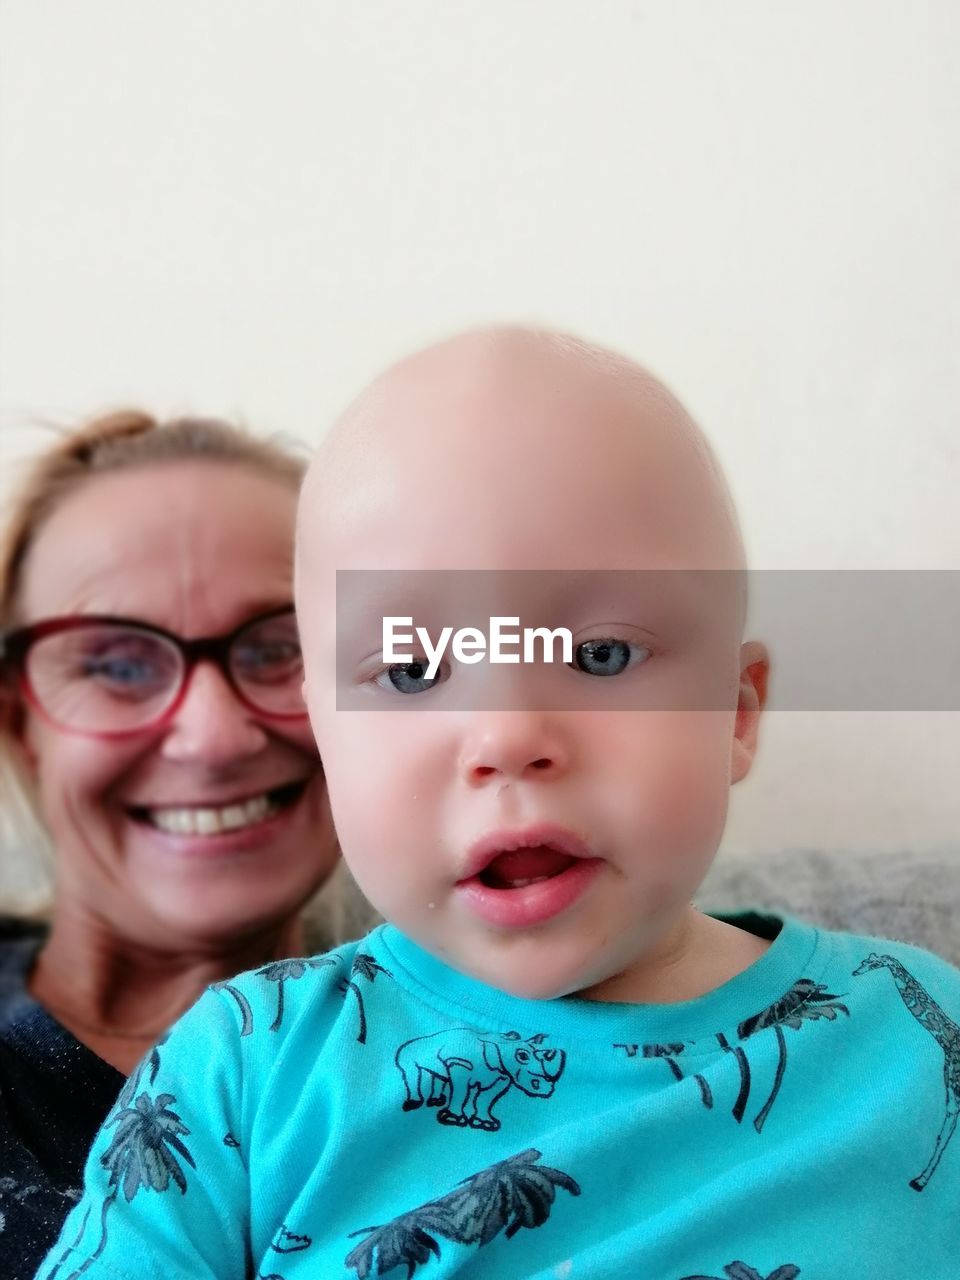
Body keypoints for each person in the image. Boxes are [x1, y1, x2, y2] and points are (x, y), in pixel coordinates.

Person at [39, 335, 960, 1279]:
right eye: (409, 670)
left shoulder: (923, 1035)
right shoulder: (242, 1069)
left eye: (600, 654)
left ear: (735, 711)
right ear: (324, 733)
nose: (508, 734)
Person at [0, 411, 339, 1277]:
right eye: (115, 664)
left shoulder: (525, 1016)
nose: (213, 737)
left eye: (283, 647)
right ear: (19, 719)